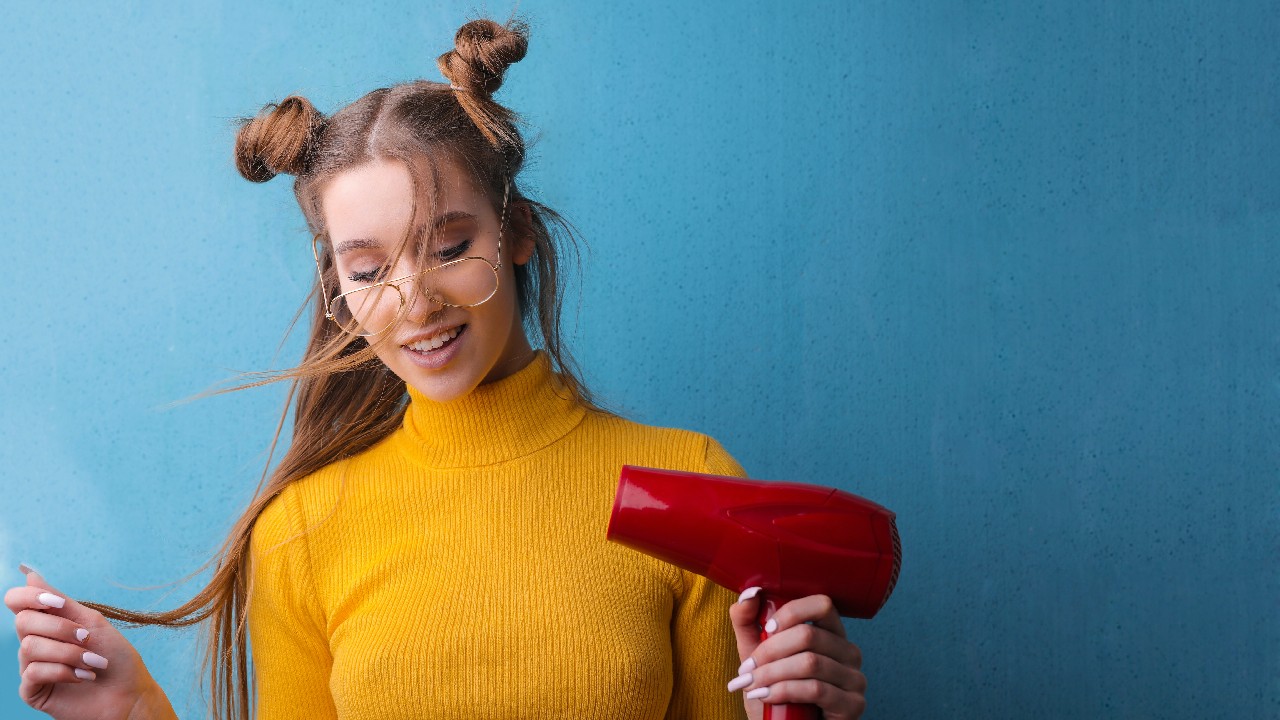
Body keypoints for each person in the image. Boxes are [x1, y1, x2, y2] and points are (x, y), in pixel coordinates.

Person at [4, 18, 868, 720]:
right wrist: (131, 715)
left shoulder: (691, 479)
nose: (413, 302)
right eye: (369, 268)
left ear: (517, 233)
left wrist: (798, 717)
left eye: (448, 246)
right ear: (337, 288)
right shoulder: (304, 532)